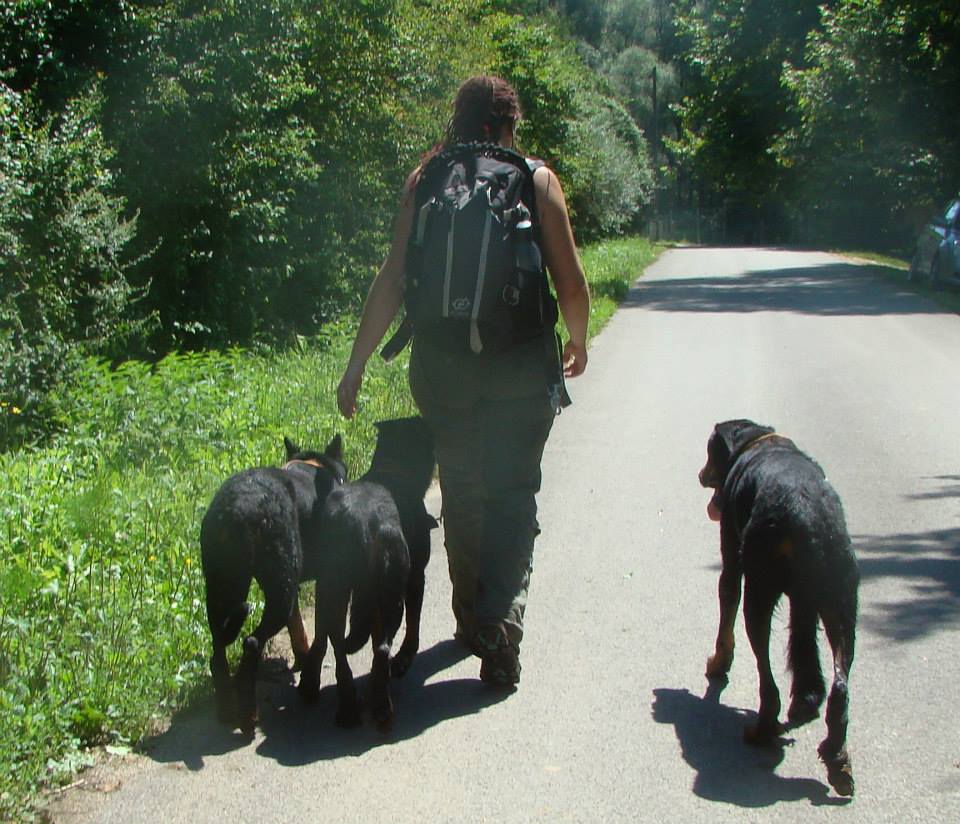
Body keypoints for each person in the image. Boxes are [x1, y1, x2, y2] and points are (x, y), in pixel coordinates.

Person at [336, 75, 590, 687]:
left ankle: (472, 616)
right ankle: (500, 622)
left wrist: (357, 362)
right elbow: (571, 282)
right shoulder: (536, 180)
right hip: (523, 371)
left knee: (461, 490)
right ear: (508, 124)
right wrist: (577, 338)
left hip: (443, 370)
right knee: (513, 492)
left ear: (458, 120)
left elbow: (393, 278)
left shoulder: (426, 181)